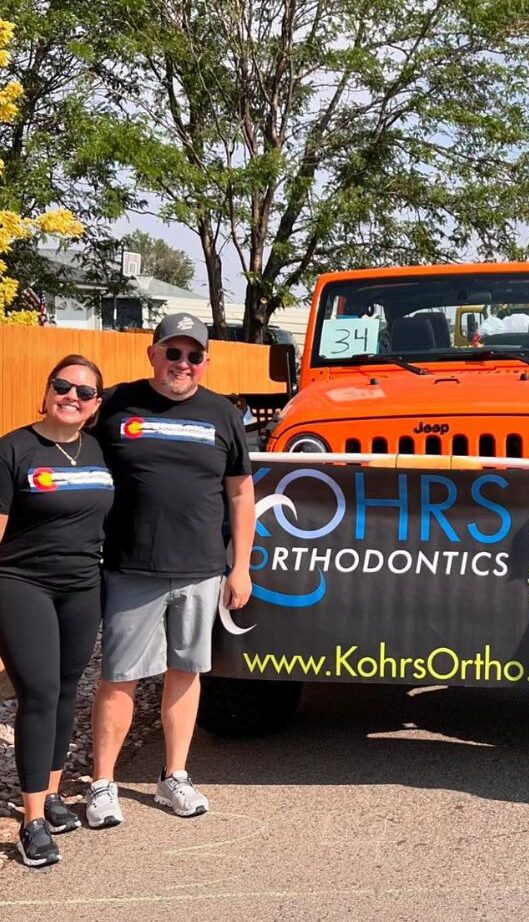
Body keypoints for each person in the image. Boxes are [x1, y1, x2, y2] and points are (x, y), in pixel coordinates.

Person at [86, 313, 254, 828]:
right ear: (152, 353)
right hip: (131, 567)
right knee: (120, 678)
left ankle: (173, 777)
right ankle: (102, 785)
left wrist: (240, 566)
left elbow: (241, 493)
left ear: (205, 361)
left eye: (194, 355)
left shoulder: (223, 413)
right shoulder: (114, 403)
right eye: (173, 352)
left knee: (186, 673)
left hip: (201, 570)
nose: (183, 363)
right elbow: (62, 436)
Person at [0, 356, 113, 867]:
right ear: (47, 391)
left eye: (85, 392)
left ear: (95, 406)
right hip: (21, 584)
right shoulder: (14, 448)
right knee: (40, 693)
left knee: (68, 690)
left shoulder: (98, 450)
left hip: (82, 586)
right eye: (63, 386)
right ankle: (31, 824)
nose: (72, 396)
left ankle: (48, 792)